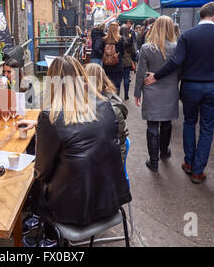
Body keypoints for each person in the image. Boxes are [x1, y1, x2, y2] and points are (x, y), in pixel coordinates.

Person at [21, 55, 132, 247]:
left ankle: (48, 236)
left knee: (30, 182)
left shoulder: (51, 115)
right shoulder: (105, 105)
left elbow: (42, 172)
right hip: (110, 198)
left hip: (74, 208)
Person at [145, 2, 214, 183]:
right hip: (212, 86)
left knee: (189, 123)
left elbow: (176, 61)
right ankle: (198, 171)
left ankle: (188, 163)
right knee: (206, 129)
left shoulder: (187, 35)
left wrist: (157, 76)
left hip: (190, 86)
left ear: (201, 15)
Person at [134, 16, 179, 172]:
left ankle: (154, 162)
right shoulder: (177, 47)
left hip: (151, 90)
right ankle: (164, 152)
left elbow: (140, 73)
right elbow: (180, 70)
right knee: (167, 123)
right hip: (170, 90)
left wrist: (137, 92)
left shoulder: (147, 48)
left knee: (152, 126)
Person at [85, 63, 129, 161]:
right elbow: (120, 139)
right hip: (111, 158)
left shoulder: (81, 104)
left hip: (101, 160)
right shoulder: (114, 103)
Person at [101, 22, 125, 97]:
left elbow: (101, 51)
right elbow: (123, 52)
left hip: (106, 65)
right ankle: (116, 102)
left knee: (107, 85)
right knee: (117, 86)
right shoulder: (120, 39)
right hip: (117, 66)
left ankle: (108, 102)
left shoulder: (104, 39)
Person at [119, 25, 138, 100]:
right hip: (127, 61)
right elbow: (133, 52)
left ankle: (117, 94)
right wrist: (133, 60)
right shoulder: (130, 40)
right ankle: (126, 94)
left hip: (119, 61)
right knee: (126, 78)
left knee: (118, 79)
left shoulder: (118, 39)